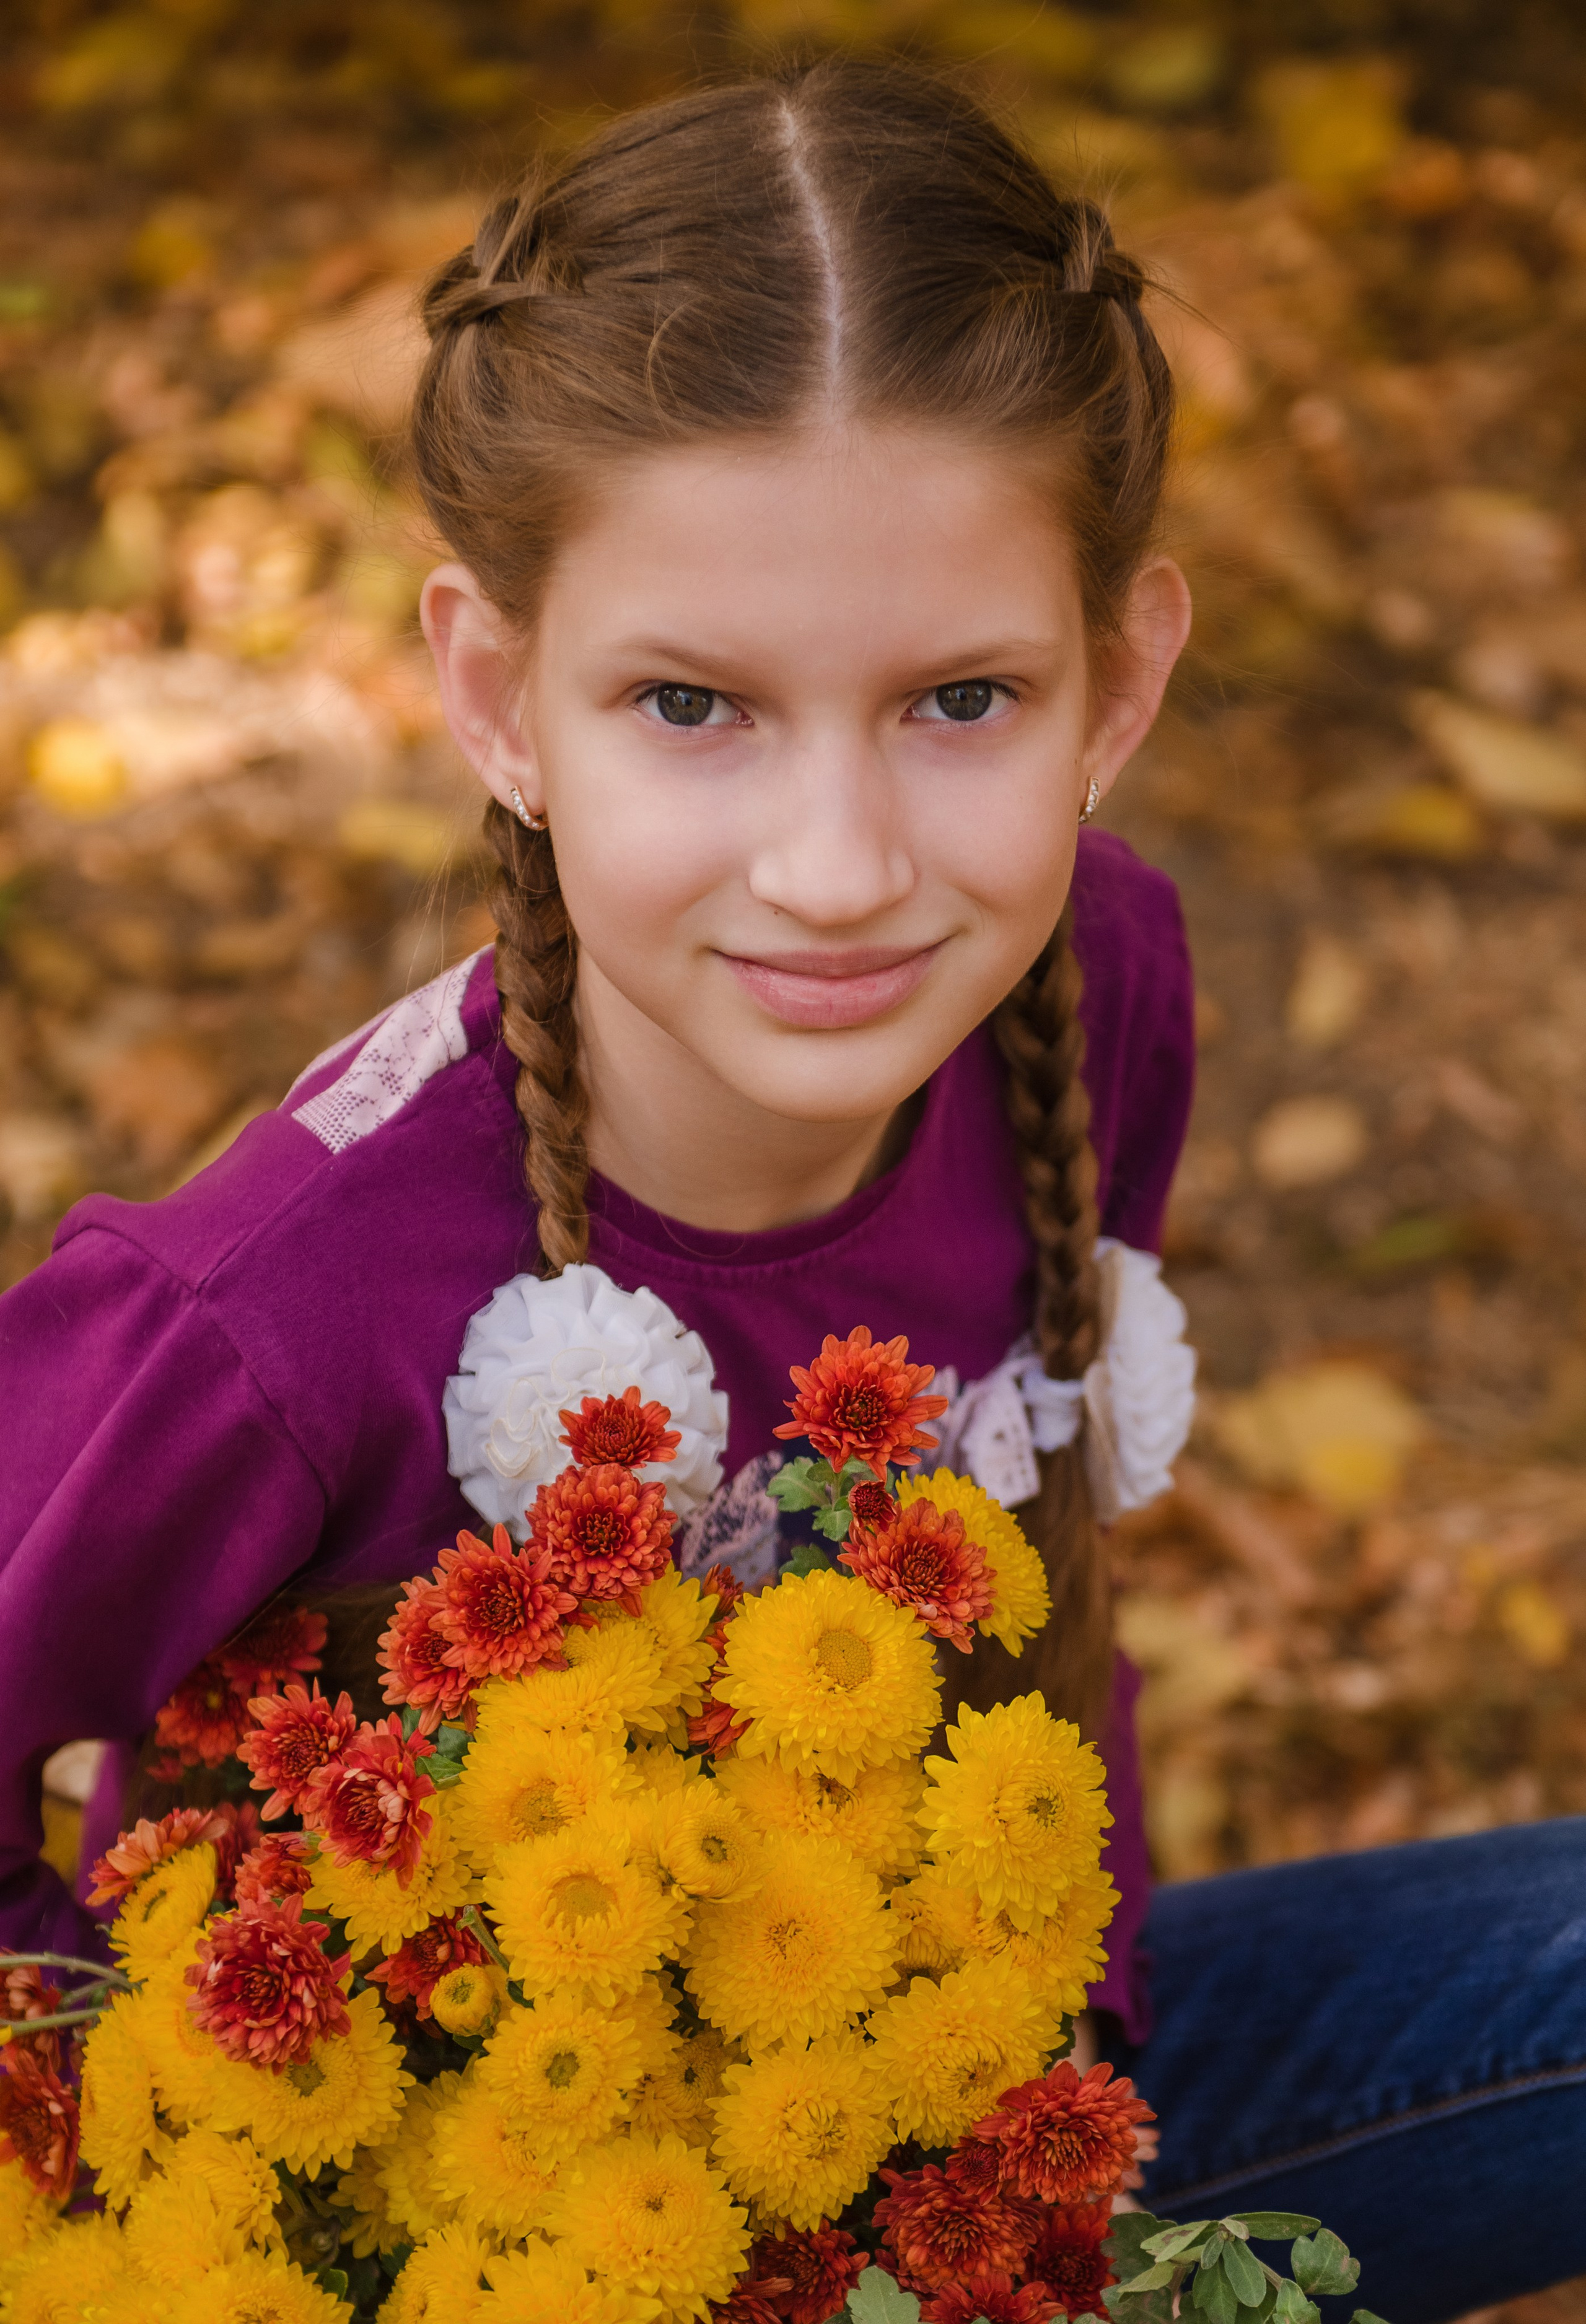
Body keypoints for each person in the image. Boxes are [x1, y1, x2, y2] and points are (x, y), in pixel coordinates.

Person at [0, 58, 1580, 2321]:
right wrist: (146, 2177)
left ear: (1120, 686)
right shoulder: (271, 1313)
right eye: (691, 705)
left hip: (976, 2159)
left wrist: (1064, 2092)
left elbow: (1053, 1660)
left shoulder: (1091, 986)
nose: (839, 871)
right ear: (498, 696)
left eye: (962, 700)